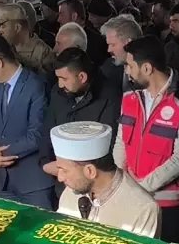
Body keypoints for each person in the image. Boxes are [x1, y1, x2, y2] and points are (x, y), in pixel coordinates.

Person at [114, 36, 179, 244]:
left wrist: (140, 188)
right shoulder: (129, 96)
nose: (127, 71)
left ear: (146, 68)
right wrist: (122, 185)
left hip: (169, 206)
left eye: (130, 66)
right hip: (130, 199)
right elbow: (121, 142)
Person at [0, 35, 55, 209]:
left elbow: (37, 134)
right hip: (3, 183)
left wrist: (0, 155)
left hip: (34, 184)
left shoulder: (36, 85)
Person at [51, 122, 160, 238]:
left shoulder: (143, 209)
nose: (60, 177)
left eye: (64, 170)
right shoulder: (72, 191)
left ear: (90, 171)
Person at [40, 47, 120, 179]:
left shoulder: (110, 97)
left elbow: (108, 144)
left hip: (92, 176)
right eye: (58, 78)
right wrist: (46, 163)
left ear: (82, 77)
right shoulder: (58, 93)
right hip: (60, 175)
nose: (60, 85)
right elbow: (48, 130)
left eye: (64, 79)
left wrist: (76, 169)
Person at [0, 3, 53, 78]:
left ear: (17, 27)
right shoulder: (4, 49)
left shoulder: (43, 53)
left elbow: (46, 82)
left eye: (3, 26)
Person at [101, 15, 145, 94]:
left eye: (113, 45)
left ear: (128, 44)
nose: (109, 50)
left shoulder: (147, 75)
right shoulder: (108, 68)